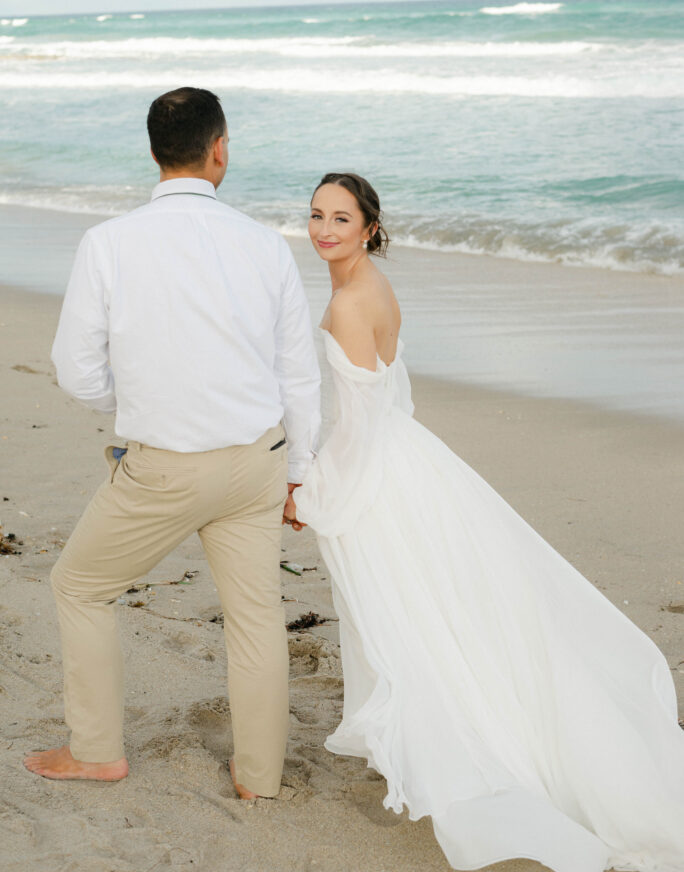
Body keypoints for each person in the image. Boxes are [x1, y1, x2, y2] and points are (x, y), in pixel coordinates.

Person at [289, 172, 684, 872]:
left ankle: (470, 754)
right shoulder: (373, 283)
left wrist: (309, 492)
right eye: (316, 215)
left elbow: (352, 431)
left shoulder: (351, 301)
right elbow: (390, 395)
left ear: (370, 228)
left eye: (340, 219)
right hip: (409, 459)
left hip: (379, 477)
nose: (323, 230)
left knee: (415, 623)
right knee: (453, 615)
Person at [23, 87, 320, 801]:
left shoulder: (110, 243)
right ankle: (260, 778)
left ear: (154, 152)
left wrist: (138, 402)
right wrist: (300, 475)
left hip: (164, 468)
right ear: (220, 150)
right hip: (257, 463)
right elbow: (297, 373)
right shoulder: (262, 243)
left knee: (80, 586)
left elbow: (75, 368)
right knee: (254, 617)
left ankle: (96, 752)